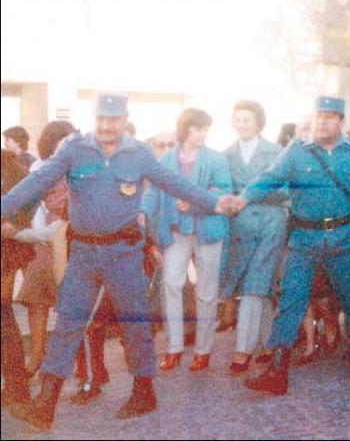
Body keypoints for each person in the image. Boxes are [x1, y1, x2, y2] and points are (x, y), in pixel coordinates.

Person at [1, 93, 235, 430]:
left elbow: (174, 183)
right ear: (94, 118)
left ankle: (143, 391)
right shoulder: (74, 149)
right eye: (101, 119)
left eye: (113, 120)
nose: (107, 126)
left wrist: (214, 203)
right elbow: (36, 183)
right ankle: (46, 404)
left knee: (134, 322)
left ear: (124, 120)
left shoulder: (138, 153)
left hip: (123, 253)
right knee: (68, 322)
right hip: (84, 253)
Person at [228, 96, 350, 396]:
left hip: (345, 236)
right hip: (304, 239)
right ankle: (277, 370)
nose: (322, 122)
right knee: (291, 300)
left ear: (341, 122)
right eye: (319, 116)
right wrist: (244, 197)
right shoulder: (297, 150)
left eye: (329, 117)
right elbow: (269, 178)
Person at [142, 108, 232, 372]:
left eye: (206, 129)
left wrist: (194, 202)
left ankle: (203, 350)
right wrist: (142, 212)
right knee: (170, 283)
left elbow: (224, 191)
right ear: (185, 129)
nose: (203, 134)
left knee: (206, 292)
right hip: (176, 230)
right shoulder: (167, 158)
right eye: (198, 129)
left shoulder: (216, 158)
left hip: (208, 230)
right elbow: (154, 190)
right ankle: (174, 347)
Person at [220, 100, 285, 374]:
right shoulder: (226, 155)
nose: (242, 124)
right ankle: (270, 343)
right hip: (240, 229)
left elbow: (287, 190)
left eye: (247, 119)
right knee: (259, 287)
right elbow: (221, 189)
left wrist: (251, 194)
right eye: (238, 119)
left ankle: (242, 351)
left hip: (270, 225)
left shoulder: (276, 152)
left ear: (258, 123)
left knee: (253, 287)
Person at [13, 121, 75, 378]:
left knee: (70, 306)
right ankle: (37, 356)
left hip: (70, 243)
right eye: (63, 141)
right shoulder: (38, 168)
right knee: (35, 302)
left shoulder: (78, 170)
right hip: (41, 243)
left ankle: (73, 364)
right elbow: (28, 206)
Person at [0, 149, 35, 407]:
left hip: (5, 253)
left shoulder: (9, 165)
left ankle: (17, 387)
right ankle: (16, 386)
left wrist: (14, 223)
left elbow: (32, 196)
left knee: (3, 317)